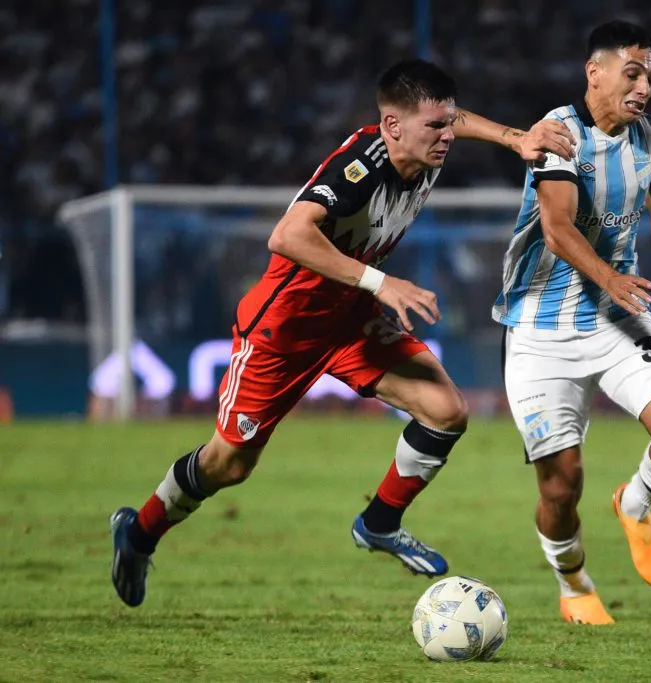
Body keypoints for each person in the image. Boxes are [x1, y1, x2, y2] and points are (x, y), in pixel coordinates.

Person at [109, 59, 574, 608]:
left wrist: (516, 138)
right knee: (229, 464)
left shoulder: (423, 142)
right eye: (436, 127)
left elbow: (457, 118)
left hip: (349, 319)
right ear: (392, 126)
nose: (448, 137)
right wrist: (382, 282)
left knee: (446, 410)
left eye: (449, 124)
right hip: (284, 331)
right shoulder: (359, 169)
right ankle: (138, 534)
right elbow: (286, 236)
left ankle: (379, 523)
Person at [493, 21, 651, 625]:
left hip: (618, 317)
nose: (644, 87)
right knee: (560, 487)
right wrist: (611, 277)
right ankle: (572, 582)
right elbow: (557, 227)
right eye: (633, 72)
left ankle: (635, 503)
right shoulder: (557, 133)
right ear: (595, 72)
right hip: (542, 330)